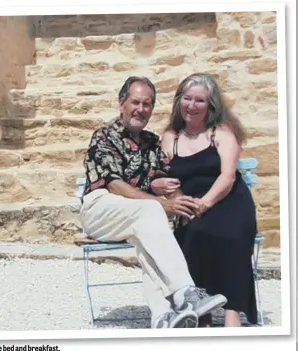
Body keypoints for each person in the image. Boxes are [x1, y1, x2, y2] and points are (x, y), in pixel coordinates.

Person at [79, 76, 227, 329]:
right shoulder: (104, 137)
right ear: (121, 103)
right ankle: (184, 292)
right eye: (135, 102)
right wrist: (162, 203)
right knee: (151, 210)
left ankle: (162, 316)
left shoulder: (151, 142)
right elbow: (114, 184)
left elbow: (167, 182)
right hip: (100, 208)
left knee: (149, 229)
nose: (141, 109)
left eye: (147, 104)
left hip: (137, 215)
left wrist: (185, 206)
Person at [152, 73, 258, 327]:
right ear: (179, 101)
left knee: (229, 236)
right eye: (186, 98)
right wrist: (179, 200)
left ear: (210, 105)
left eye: (199, 100)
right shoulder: (170, 137)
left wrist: (204, 204)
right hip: (190, 207)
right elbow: (163, 176)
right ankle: (202, 313)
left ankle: (233, 315)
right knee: (194, 234)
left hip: (228, 202)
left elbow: (228, 177)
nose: (192, 105)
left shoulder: (221, 133)